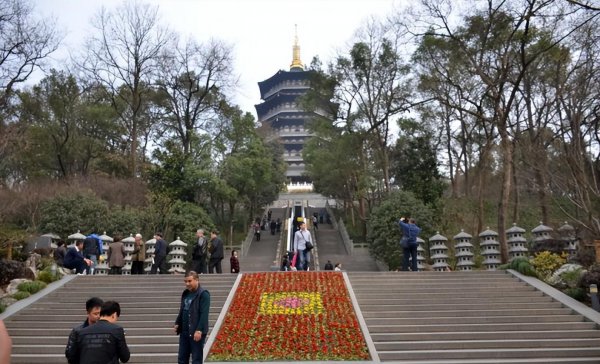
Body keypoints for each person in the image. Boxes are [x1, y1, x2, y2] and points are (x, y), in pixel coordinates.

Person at [66, 301, 130, 364]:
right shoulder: (116, 330)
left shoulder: (81, 332)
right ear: (114, 315)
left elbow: (71, 356)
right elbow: (125, 358)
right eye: (116, 318)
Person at [174, 271, 210, 364]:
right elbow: (182, 309)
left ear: (196, 280)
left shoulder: (203, 294)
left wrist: (199, 330)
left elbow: (204, 314)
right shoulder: (186, 293)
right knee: (182, 359)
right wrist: (178, 323)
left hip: (196, 332)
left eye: (190, 281)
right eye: (185, 281)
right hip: (185, 332)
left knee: (196, 360)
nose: (187, 284)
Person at [65, 297, 104, 364]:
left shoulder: (108, 330)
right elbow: (70, 353)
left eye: (100, 313)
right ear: (88, 313)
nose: (98, 316)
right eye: (95, 314)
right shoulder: (78, 331)